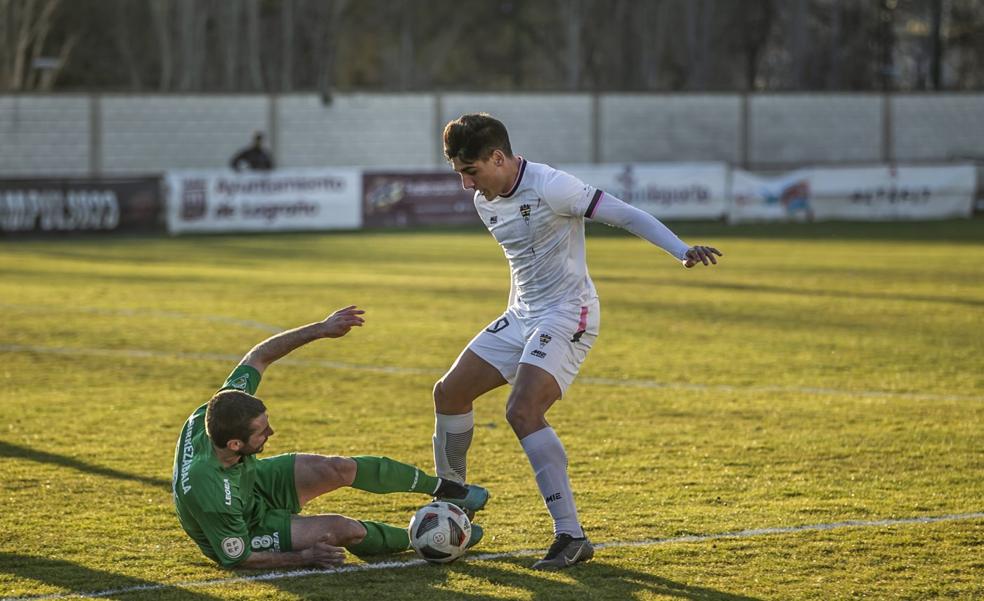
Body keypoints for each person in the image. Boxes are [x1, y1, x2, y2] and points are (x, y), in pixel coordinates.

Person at [432, 114, 722, 571]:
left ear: (498, 157)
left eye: (471, 172)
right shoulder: (485, 201)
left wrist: (680, 249)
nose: (467, 185)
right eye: (460, 175)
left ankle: (570, 535)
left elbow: (625, 214)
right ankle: (455, 499)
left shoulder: (552, 186)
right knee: (448, 393)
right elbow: (524, 263)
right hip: (523, 314)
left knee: (522, 410)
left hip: (570, 313)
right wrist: (517, 320)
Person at [172, 305, 489, 569]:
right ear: (235, 444)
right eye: (262, 431)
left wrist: (321, 328)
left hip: (247, 479)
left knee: (336, 468)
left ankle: (448, 489)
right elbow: (237, 558)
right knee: (343, 528)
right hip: (245, 527)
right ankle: (439, 538)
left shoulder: (218, 410)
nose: (271, 432)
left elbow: (259, 356)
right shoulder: (210, 493)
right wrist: (303, 558)